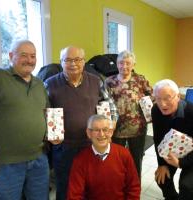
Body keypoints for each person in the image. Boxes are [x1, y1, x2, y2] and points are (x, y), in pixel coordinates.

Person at [45, 46, 118, 200]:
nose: (73, 64)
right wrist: (49, 132)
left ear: (84, 62)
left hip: (91, 144)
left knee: (91, 185)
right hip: (64, 147)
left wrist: (111, 124)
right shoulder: (50, 84)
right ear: (61, 62)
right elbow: (44, 112)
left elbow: (109, 104)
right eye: (68, 60)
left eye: (77, 59)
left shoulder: (96, 81)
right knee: (65, 187)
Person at [0, 40, 49, 200]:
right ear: (11, 56)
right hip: (7, 164)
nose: (29, 60)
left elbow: (48, 112)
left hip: (38, 159)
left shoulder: (39, 83)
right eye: (23, 55)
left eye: (33, 56)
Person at [67, 114, 140, 200]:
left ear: (111, 132)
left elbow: (133, 187)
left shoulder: (124, 154)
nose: (101, 134)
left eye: (105, 130)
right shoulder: (80, 160)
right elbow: (74, 195)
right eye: (96, 130)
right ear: (89, 133)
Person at [105, 50, 153, 178]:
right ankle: (118, 186)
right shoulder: (109, 81)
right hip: (116, 129)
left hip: (137, 128)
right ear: (117, 64)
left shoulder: (140, 80)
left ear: (133, 65)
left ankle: (134, 187)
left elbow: (152, 96)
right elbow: (104, 104)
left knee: (136, 159)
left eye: (128, 63)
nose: (124, 66)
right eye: (121, 63)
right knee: (116, 160)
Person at [151, 79, 193, 200]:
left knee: (187, 186)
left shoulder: (191, 112)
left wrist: (181, 163)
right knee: (162, 179)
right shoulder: (156, 110)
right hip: (174, 149)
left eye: (167, 98)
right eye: (158, 99)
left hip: (191, 154)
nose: (162, 104)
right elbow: (158, 138)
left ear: (178, 96)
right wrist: (162, 164)